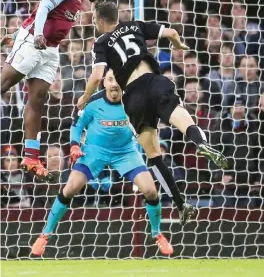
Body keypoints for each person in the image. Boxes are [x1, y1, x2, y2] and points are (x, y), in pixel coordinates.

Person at [78, 1, 228, 215]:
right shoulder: (135, 25)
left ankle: (180, 204)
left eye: (94, 20)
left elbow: (95, 76)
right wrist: (178, 45)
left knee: (154, 156)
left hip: (132, 98)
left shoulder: (100, 42)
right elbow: (171, 32)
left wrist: (84, 98)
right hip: (154, 82)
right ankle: (201, 142)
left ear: (101, 21)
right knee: (183, 119)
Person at [31, 70, 173, 257]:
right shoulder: (92, 102)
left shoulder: (135, 101)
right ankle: (44, 235)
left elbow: (147, 125)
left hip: (125, 152)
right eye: (110, 80)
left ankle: (157, 234)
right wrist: (74, 145)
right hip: (94, 151)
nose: (114, 84)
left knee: (151, 190)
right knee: (71, 187)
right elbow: (77, 125)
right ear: (104, 82)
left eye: (118, 80)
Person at [1, 0, 106, 182]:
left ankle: (31, 157)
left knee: (37, 100)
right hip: (34, 41)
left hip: (51, 49)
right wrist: (36, 34)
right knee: (3, 84)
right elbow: (43, 7)